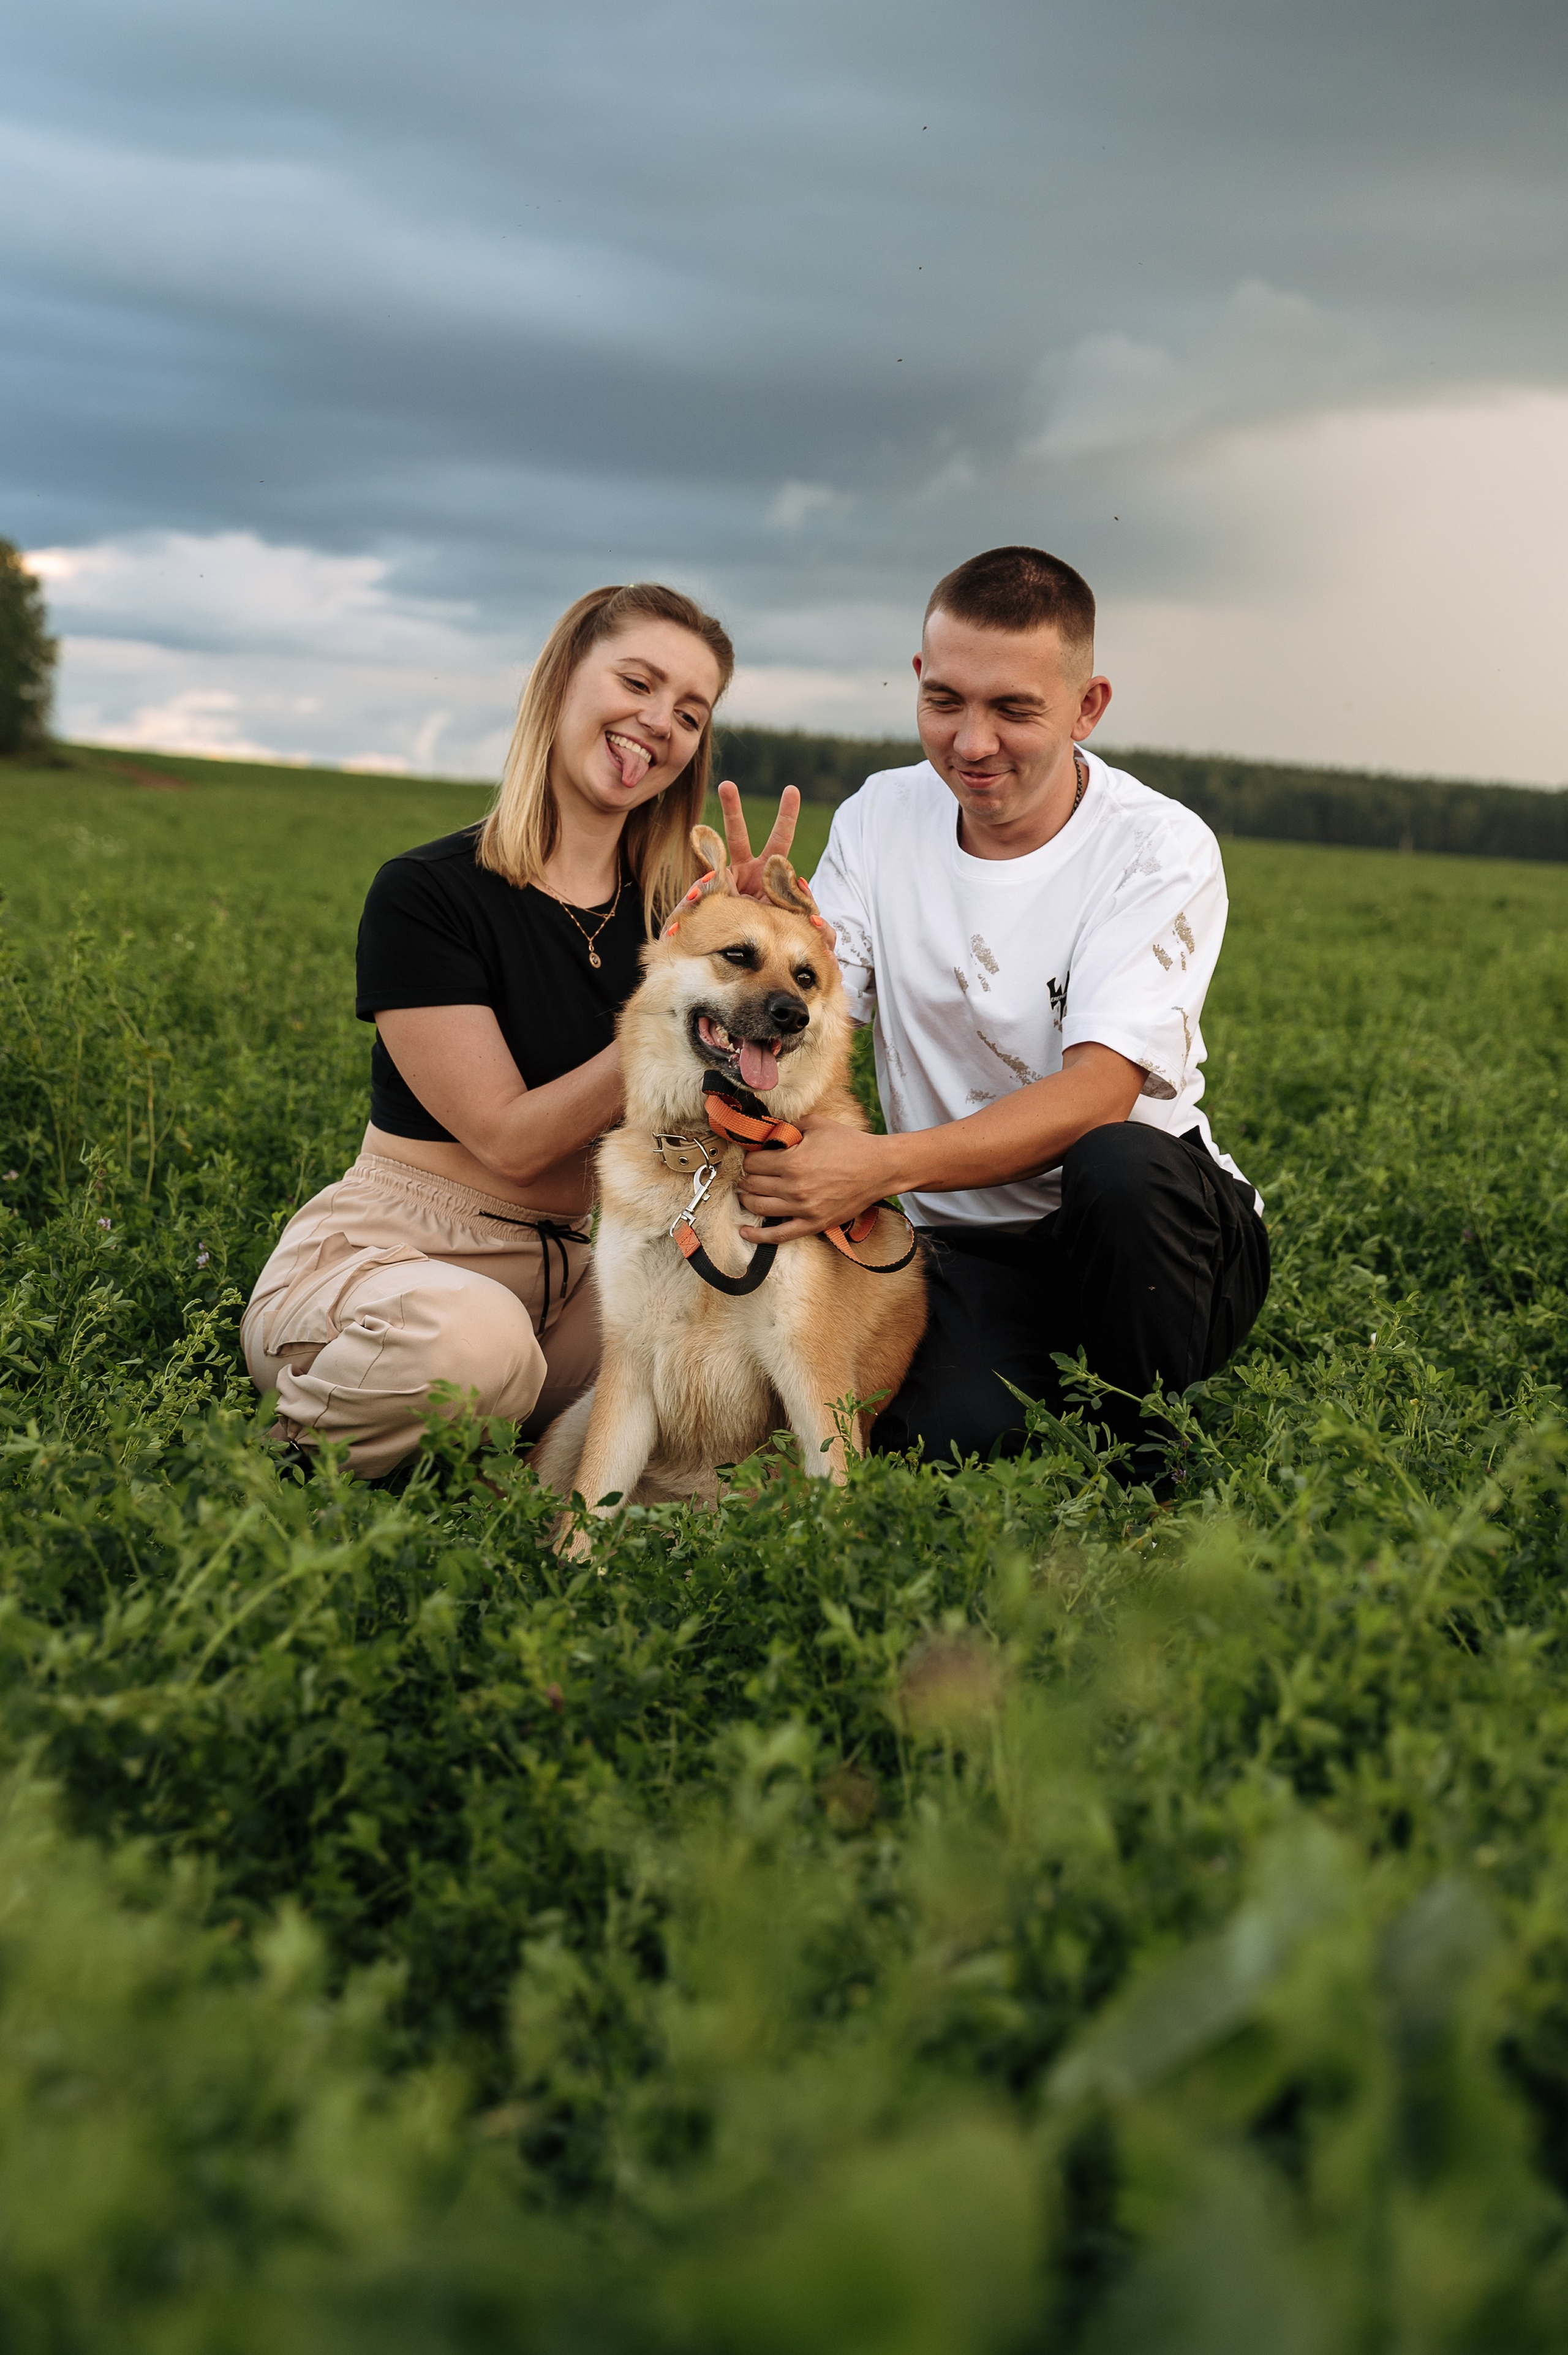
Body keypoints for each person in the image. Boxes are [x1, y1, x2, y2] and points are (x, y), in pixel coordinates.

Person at [726, 544, 1268, 1477]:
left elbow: (1100, 1093)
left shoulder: (1157, 848)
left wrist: (874, 1169)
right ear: (919, 682)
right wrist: (754, 939)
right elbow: (821, 1017)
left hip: (1152, 1235)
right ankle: (1051, 1379)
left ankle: (1150, 1455)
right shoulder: (878, 818)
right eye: (946, 702)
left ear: (1087, 706)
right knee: (942, 1436)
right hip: (963, 1241)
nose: (972, 743)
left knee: (1119, 1162)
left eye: (1015, 709)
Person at [243, 580, 798, 1480]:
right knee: (474, 1344)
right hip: (405, 1262)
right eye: (637, 683)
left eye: (691, 713)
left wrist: (759, 950)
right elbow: (508, 1138)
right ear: (563, 681)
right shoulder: (428, 895)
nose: (660, 721)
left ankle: (522, 1488)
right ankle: (283, 1468)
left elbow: (756, 1105)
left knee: (742, 1366)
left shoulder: (677, 929)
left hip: (585, 1272)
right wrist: (674, 1011)